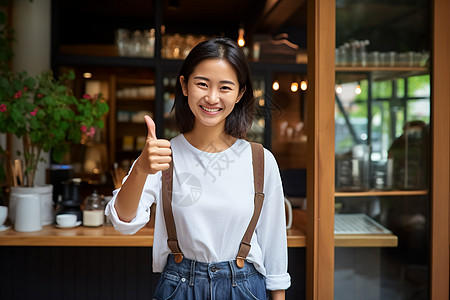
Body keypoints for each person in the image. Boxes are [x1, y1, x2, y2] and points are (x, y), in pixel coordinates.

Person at [105, 37, 291, 299]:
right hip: (180, 286)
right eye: (202, 84)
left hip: (246, 288)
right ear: (184, 85)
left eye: (225, 87)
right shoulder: (161, 155)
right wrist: (140, 170)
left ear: (239, 94)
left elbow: (274, 246)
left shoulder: (260, 160)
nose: (212, 97)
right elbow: (122, 222)